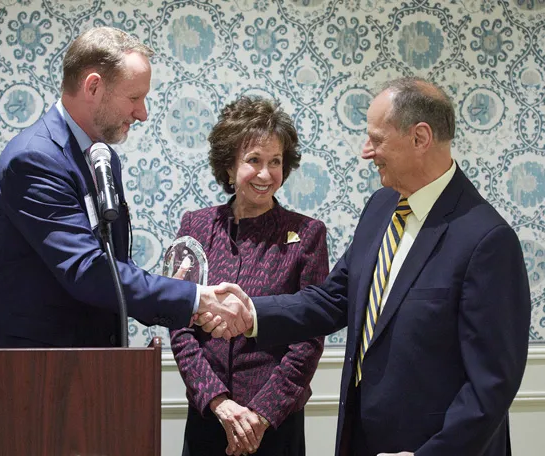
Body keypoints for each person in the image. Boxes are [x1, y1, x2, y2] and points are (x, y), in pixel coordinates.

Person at [213, 78, 531, 456]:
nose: (367, 152)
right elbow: (333, 299)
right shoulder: (381, 207)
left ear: (420, 138)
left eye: (377, 139)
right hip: (361, 438)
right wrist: (250, 312)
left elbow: (491, 384)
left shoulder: (487, 239)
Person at [0, 26, 250, 348]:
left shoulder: (102, 157)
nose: (142, 114)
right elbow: (87, 270)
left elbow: (114, 264)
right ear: (93, 87)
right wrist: (195, 299)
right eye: (134, 98)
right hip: (25, 369)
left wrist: (171, 293)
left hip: (87, 365)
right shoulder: (33, 160)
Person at [170, 96, 328, 456]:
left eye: (275, 162)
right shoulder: (195, 226)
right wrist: (218, 402)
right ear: (229, 167)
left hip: (275, 425)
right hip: (208, 418)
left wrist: (260, 414)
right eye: (253, 161)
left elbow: (309, 337)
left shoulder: (307, 234)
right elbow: (179, 326)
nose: (266, 174)